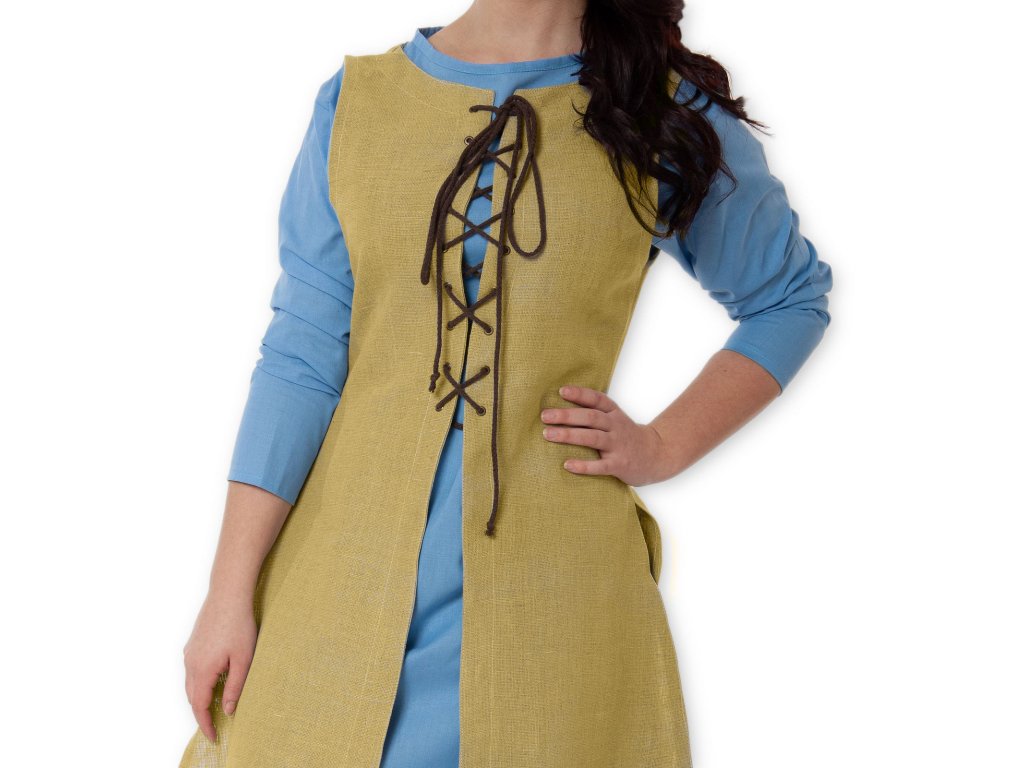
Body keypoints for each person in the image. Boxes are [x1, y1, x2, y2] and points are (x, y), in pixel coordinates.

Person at [179, 3, 833, 767]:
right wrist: (228, 593)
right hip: (336, 578)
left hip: (554, 598)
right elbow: (302, 355)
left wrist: (663, 444)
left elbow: (789, 300)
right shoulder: (359, 103)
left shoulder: (660, 111)